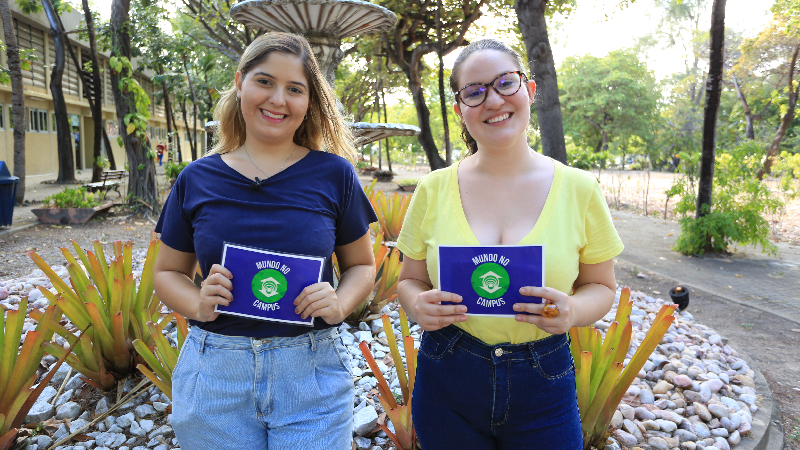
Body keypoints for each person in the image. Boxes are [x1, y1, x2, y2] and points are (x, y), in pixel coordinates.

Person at [396, 39, 624, 450]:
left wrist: (572, 311)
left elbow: (603, 288)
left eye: (505, 83)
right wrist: (417, 305)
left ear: (529, 91)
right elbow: (409, 280)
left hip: (543, 380)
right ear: (460, 110)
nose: (493, 99)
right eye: (474, 91)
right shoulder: (433, 189)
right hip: (447, 373)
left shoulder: (578, 189)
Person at [153, 32, 377, 449]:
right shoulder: (196, 179)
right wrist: (197, 302)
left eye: (295, 89)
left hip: (311, 373)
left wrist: (340, 302)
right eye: (264, 81)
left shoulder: (334, 175)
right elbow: (167, 273)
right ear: (240, 82)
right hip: (215, 374)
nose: (278, 99)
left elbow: (362, 266)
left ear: (309, 102)